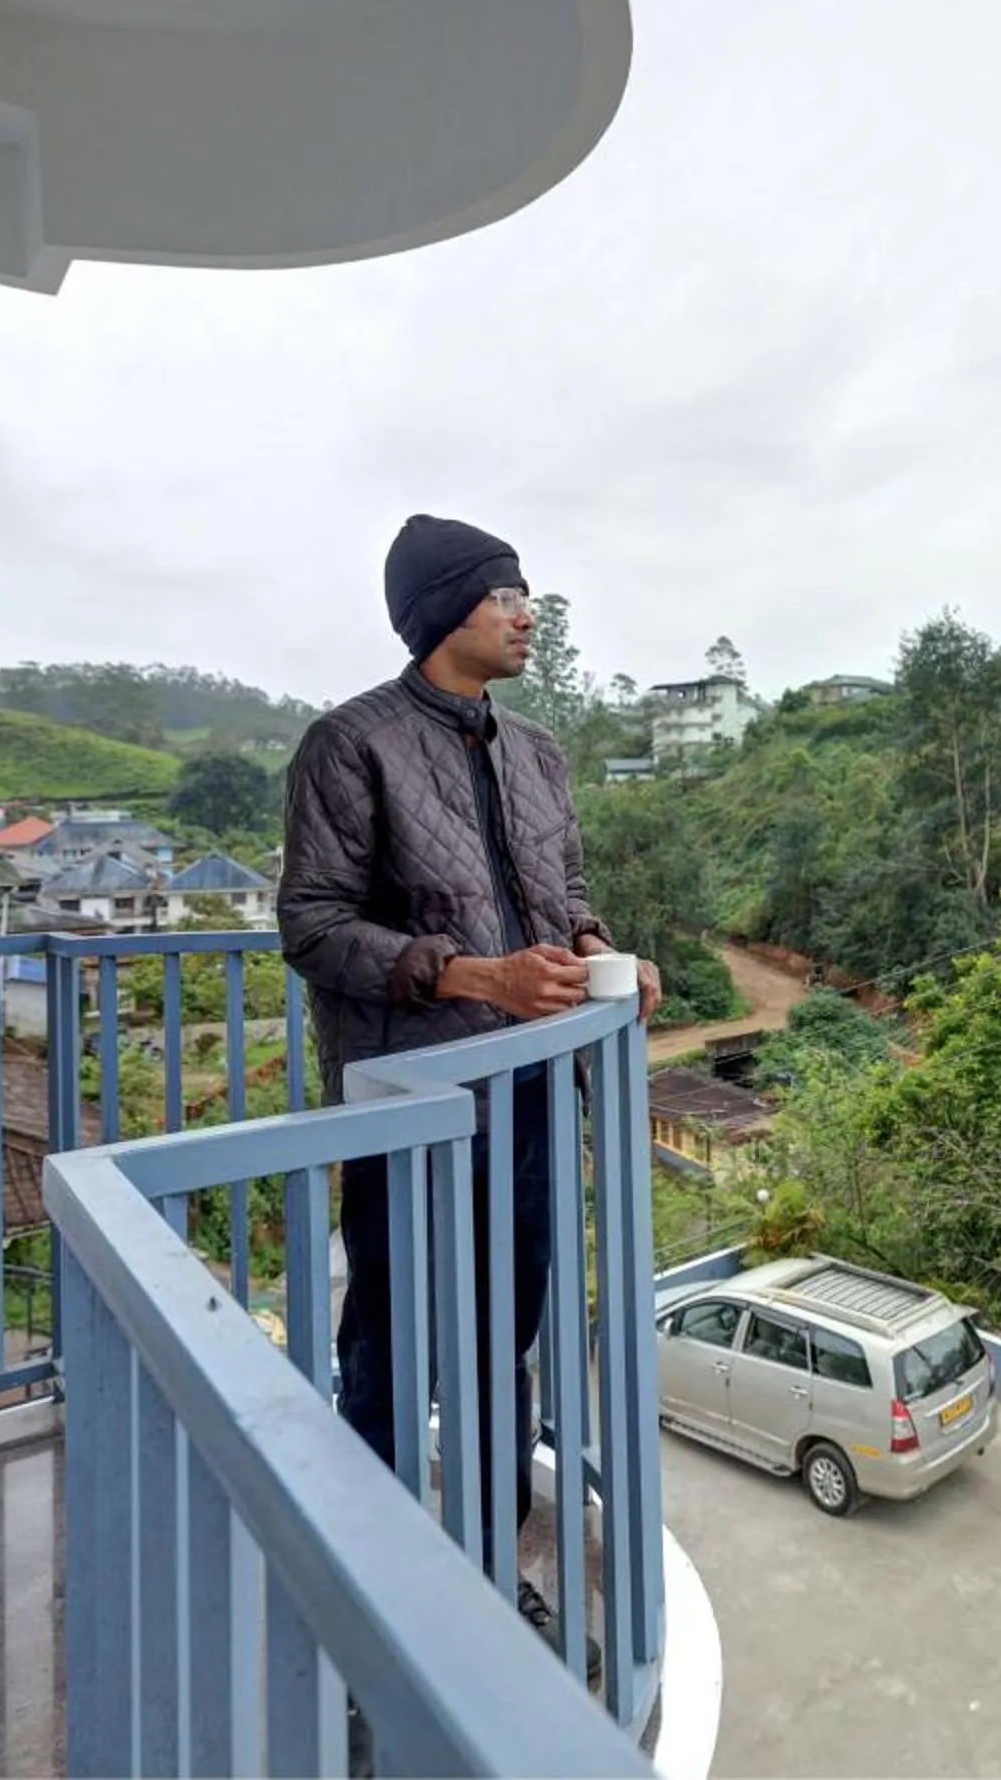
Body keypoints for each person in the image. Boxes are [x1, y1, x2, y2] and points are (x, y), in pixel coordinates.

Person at [279, 513, 659, 1670]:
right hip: (416, 1101)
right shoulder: (349, 745)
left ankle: (492, 1569)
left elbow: (565, 893)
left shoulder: (539, 751)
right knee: (392, 1342)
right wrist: (470, 973)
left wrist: (603, 951)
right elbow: (312, 926)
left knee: (507, 1338)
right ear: (446, 608)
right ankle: (376, 1583)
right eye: (506, 593)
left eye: (528, 594)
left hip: (532, 1098)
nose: (527, 611)